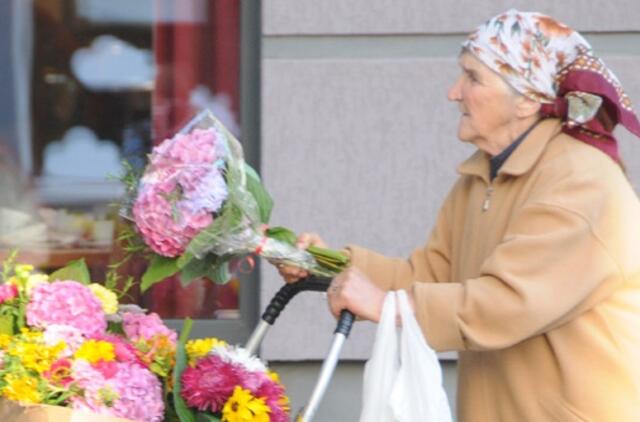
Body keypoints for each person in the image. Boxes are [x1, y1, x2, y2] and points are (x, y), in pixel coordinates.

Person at [276, 9, 640, 421]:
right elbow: (431, 275)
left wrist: (387, 306)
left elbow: (505, 304)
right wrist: (327, 266)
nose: (454, 92)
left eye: (472, 77)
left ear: (525, 99)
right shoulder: (485, 175)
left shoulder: (579, 183)